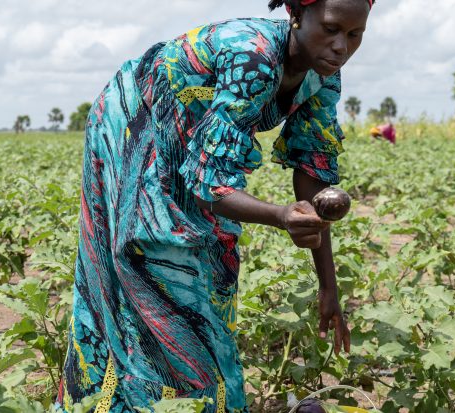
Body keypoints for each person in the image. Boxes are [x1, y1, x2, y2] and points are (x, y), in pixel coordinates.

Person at [54, 1, 374, 412]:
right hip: (136, 119)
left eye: (354, 35)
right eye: (331, 29)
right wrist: (279, 216)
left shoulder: (323, 75)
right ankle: (139, 400)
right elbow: (210, 188)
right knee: (156, 262)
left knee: (212, 268)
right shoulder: (254, 56)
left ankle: (197, 399)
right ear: (297, 15)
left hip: (191, 140)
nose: (341, 46)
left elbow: (312, 178)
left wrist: (328, 287)